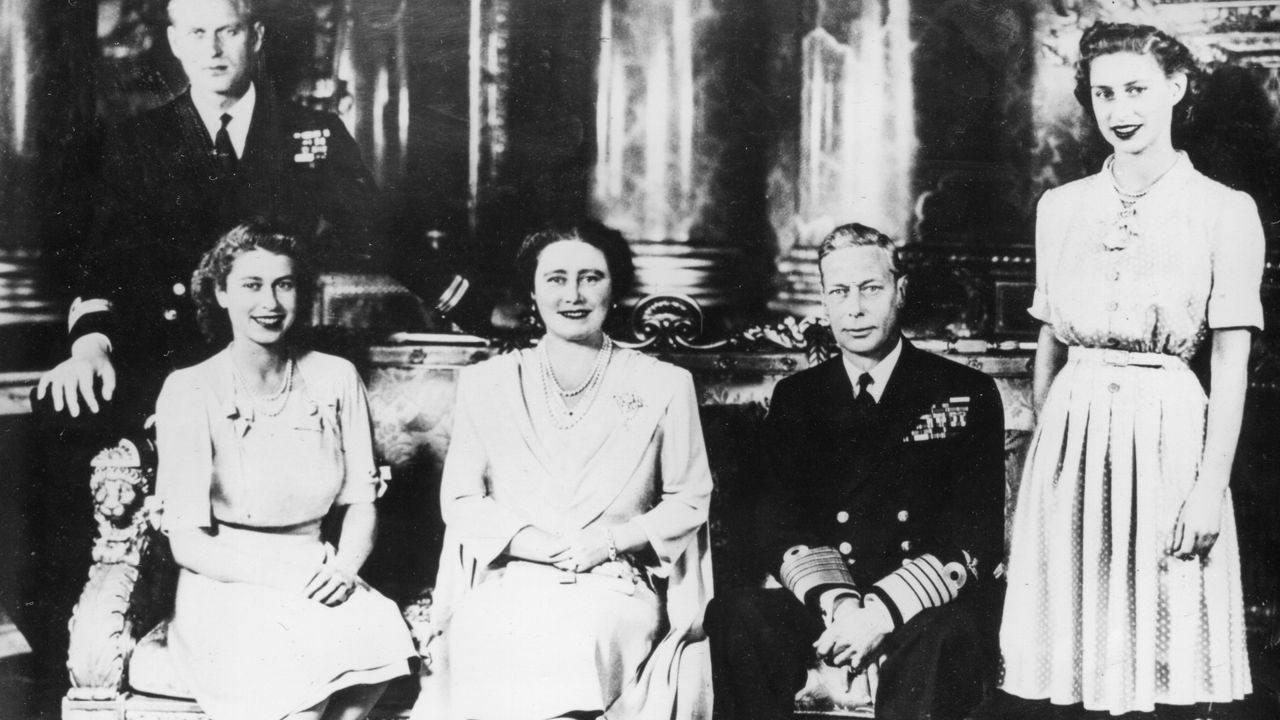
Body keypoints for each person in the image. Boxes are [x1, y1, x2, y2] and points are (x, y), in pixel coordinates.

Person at [20, 0, 488, 678]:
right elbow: (102, 261)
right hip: (165, 359)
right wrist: (90, 343)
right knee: (59, 424)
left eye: (230, 31)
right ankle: (83, 651)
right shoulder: (135, 139)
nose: (214, 49)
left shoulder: (309, 133)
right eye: (199, 33)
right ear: (176, 43)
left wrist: (474, 305)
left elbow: (390, 233)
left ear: (256, 37)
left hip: (276, 357)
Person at [992, 22, 1261, 718]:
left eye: (1136, 89)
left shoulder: (1224, 211)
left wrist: (1209, 487)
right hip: (1072, 438)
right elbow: (1049, 342)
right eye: (1103, 92)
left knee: (1157, 645)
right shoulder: (1061, 208)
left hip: (1167, 433)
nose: (1119, 109)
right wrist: (1044, 455)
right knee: (1071, 650)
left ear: (1175, 89)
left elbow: (1230, 364)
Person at [704, 223, 1006, 720]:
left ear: (899, 292)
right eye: (839, 292)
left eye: (871, 289)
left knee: (941, 637)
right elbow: (778, 524)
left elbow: (974, 534)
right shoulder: (798, 398)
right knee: (738, 614)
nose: (855, 308)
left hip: (922, 606)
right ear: (824, 300)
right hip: (833, 599)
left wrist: (880, 613)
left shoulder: (962, 391)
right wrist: (843, 609)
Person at [413, 223, 715, 720]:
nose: (573, 295)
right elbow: (462, 500)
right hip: (513, 575)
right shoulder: (488, 383)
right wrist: (534, 543)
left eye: (590, 277)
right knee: (484, 629)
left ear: (614, 287)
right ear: (532, 290)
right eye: (556, 279)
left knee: (578, 636)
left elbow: (690, 499)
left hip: (612, 580)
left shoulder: (665, 383)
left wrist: (611, 542)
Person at [154, 222, 415, 720]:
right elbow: (188, 543)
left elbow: (362, 502)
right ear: (221, 293)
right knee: (290, 668)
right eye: (252, 285)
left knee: (375, 630)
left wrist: (344, 569)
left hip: (319, 568)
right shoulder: (190, 389)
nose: (269, 302)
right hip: (223, 582)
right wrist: (286, 580)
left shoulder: (336, 377)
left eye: (284, 284)